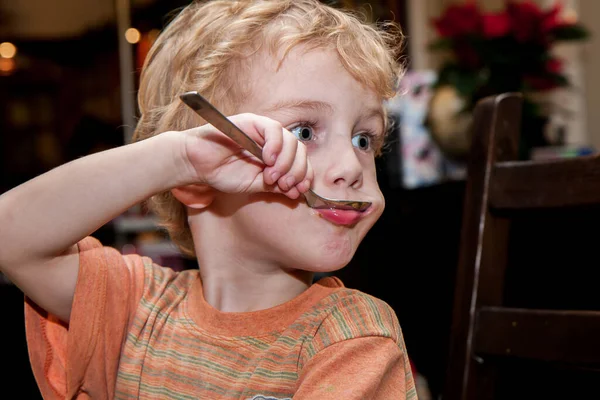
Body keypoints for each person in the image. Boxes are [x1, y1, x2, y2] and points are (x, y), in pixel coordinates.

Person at [0, 0, 416, 398]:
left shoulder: (350, 335)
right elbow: (10, 235)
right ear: (197, 180)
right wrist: (178, 157)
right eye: (304, 132)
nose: (351, 164)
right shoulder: (132, 306)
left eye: (364, 139)